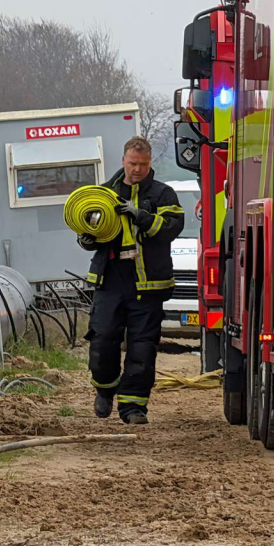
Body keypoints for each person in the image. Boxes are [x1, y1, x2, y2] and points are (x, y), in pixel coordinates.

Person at [77, 136, 185, 424]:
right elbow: (90, 227)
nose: (138, 169)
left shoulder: (163, 194)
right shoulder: (104, 193)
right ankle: (104, 390)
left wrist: (141, 216)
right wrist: (86, 239)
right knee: (102, 340)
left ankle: (133, 407)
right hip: (111, 280)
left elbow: (172, 227)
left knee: (142, 347)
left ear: (150, 164)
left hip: (148, 285)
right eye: (133, 163)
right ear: (123, 161)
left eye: (143, 164)